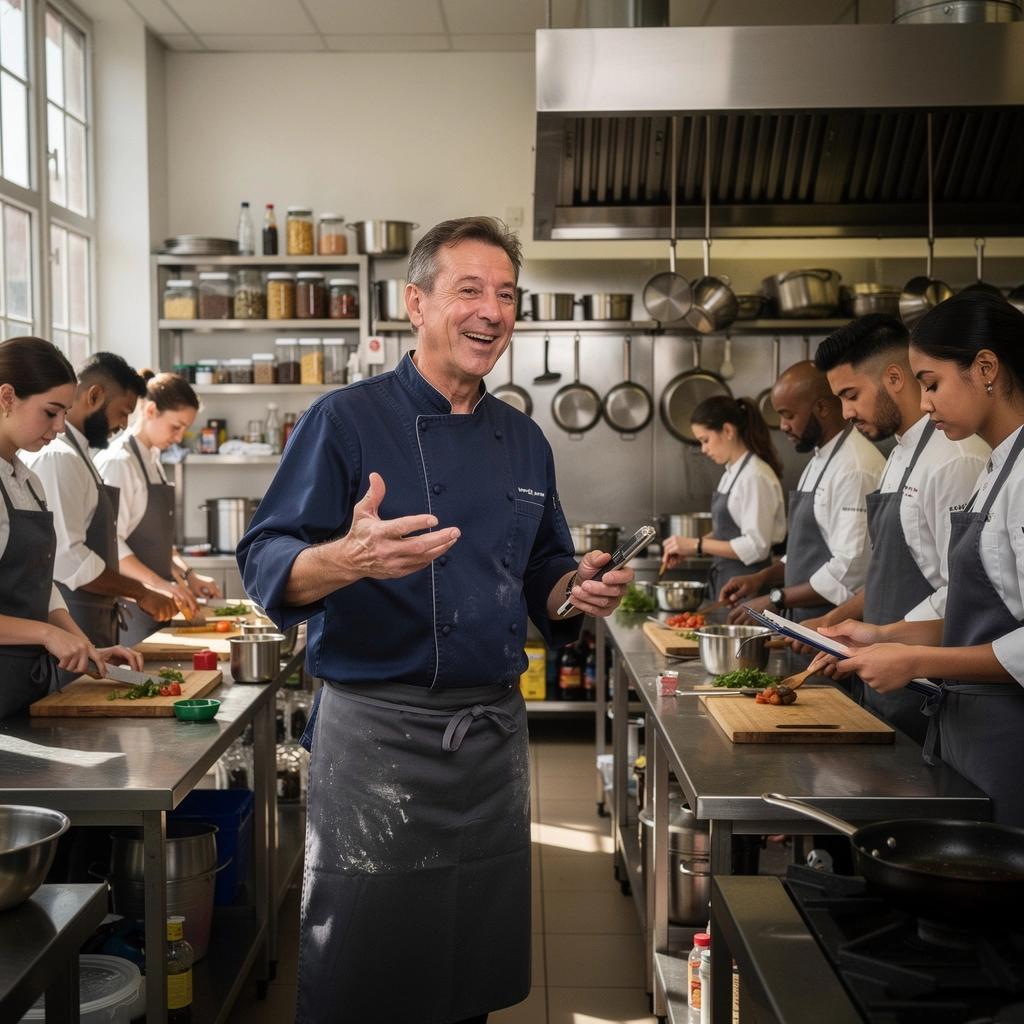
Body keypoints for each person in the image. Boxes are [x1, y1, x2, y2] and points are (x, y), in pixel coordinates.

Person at [236, 217, 634, 1024]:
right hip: (378, 738)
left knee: (466, 974)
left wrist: (573, 592)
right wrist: (349, 559)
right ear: (415, 304)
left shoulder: (524, 442)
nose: (493, 311)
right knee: (365, 972)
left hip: (488, 744)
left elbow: (541, 571)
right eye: (470, 291)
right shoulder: (345, 420)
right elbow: (266, 554)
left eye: (508, 295)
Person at [820, 291, 1024, 825]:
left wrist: (916, 660)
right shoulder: (997, 468)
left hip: (1006, 738)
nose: (924, 400)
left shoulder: (1014, 472)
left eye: (931, 383)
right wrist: (881, 636)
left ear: (985, 368)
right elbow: (969, 609)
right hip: (966, 725)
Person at [810, 314, 988, 743]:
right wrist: (845, 630)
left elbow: (960, 594)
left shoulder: (956, 457)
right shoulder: (899, 456)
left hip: (924, 687)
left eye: (851, 395)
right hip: (884, 678)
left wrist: (891, 643)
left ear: (893, 377)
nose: (846, 412)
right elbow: (890, 573)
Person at [0, 337, 143, 718]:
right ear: (6, 397)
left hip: (23, 688)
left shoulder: (28, 481)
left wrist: (84, 645)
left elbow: (38, 585)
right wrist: (48, 635)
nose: (61, 427)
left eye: (64, 412)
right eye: (50, 412)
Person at [23, 352, 177, 651]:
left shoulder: (81, 457)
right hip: (73, 625)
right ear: (94, 396)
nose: (122, 425)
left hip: (92, 624)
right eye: (122, 412)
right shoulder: (59, 457)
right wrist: (142, 591)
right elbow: (68, 558)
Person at [722, 361, 884, 631]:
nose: (783, 426)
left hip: (835, 628)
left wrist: (778, 598)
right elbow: (803, 553)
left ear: (821, 407)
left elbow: (849, 569)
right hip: (804, 624)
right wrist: (761, 578)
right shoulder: (819, 459)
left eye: (788, 415)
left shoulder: (855, 467)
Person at [95, 371, 221, 646]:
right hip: (133, 605)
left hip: (160, 603)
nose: (178, 438)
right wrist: (160, 584)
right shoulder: (118, 463)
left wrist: (188, 575)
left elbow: (160, 543)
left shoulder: (153, 462)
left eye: (184, 430)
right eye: (175, 427)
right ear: (150, 410)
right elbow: (112, 544)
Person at [661, 394, 785, 600]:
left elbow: (756, 547)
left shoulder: (755, 476)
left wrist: (696, 545)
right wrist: (690, 546)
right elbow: (725, 533)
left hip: (747, 587)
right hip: (727, 582)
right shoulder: (732, 472)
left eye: (705, 440)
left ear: (728, 430)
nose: (704, 449)